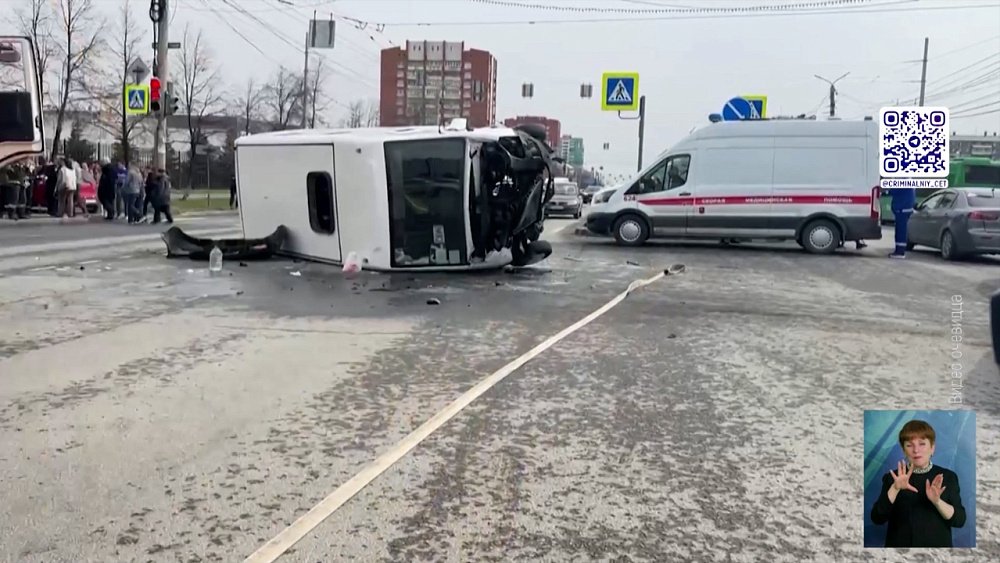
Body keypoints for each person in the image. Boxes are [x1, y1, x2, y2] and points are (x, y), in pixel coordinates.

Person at [870, 419, 967, 547]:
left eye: (922, 444)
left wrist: (937, 502)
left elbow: (960, 521)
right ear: (903, 450)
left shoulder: (948, 477)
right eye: (909, 445)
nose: (916, 450)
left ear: (932, 448)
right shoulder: (892, 478)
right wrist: (895, 488)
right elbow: (877, 518)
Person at [889, 186, 916, 258]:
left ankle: (900, 252)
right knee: (901, 230)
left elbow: (894, 190)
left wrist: (886, 190)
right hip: (904, 208)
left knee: (900, 231)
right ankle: (899, 251)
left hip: (902, 208)